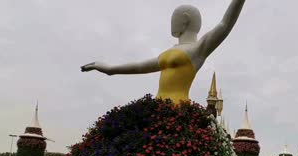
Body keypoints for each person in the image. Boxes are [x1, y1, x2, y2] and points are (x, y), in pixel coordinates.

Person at [81, 0, 246, 103]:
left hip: (178, 110)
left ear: (186, 19)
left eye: (174, 18)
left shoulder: (198, 49)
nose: (171, 23)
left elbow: (225, 24)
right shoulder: (170, 51)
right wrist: (110, 69)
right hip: (159, 108)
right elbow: (139, 67)